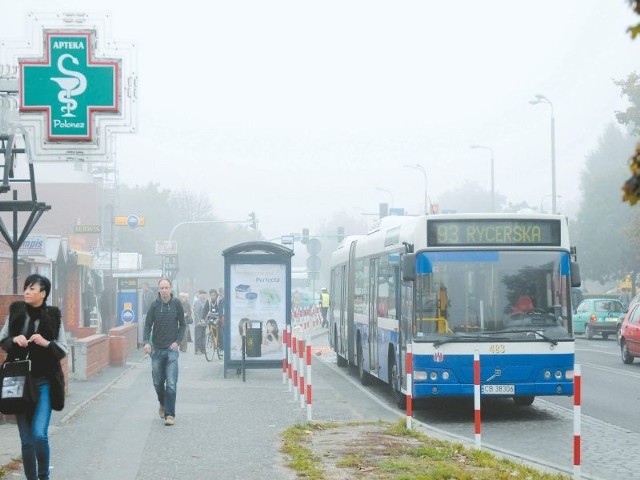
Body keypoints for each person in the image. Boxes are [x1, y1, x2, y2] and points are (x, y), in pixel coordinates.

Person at [0, 273, 68, 480]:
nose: (27, 292)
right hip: (19, 383)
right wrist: (14, 339)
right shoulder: (16, 313)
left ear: (43, 293)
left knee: (39, 435)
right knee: (26, 440)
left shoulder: (54, 315)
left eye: (32, 288)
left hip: (44, 382)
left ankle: (43, 476)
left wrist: (47, 343)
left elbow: (63, 348)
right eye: (26, 288)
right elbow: (3, 340)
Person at [143, 277, 185, 426]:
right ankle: (162, 403)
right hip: (157, 351)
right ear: (158, 290)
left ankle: (170, 414)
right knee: (157, 383)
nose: (164, 290)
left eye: (167, 287)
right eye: (162, 288)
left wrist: (177, 342)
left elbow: (183, 325)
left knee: (171, 384)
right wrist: (147, 343)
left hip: (171, 350)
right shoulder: (154, 306)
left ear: (171, 288)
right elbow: (147, 325)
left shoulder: (177, 304)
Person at [192, 290, 207, 354]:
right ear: (199, 295)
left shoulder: (205, 302)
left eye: (204, 294)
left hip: (204, 322)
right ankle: (197, 350)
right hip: (198, 323)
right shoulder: (197, 302)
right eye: (202, 294)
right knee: (198, 337)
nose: (203, 295)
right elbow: (196, 313)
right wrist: (198, 321)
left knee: (203, 336)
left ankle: (203, 349)